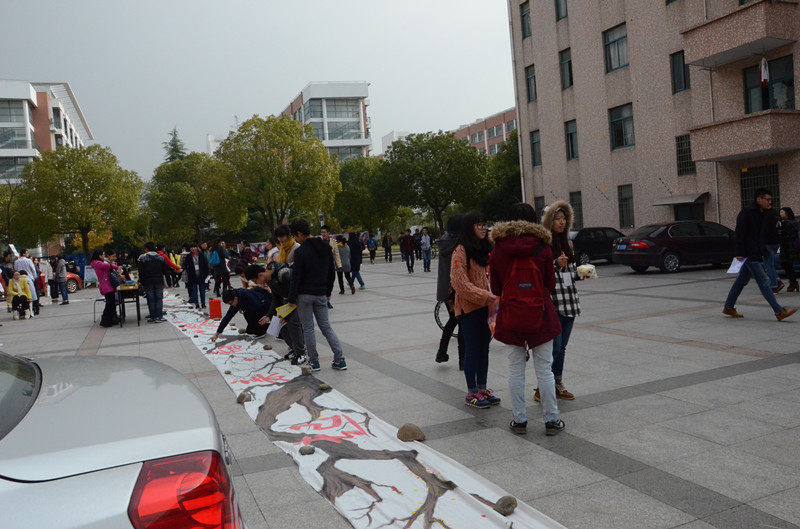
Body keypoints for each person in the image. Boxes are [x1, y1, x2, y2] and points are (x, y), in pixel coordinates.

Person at [489, 202, 565, 436]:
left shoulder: (499, 248)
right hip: (540, 315)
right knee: (545, 369)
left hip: (511, 315)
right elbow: (550, 284)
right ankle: (551, 420)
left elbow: (495, 287)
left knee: (515, 369)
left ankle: (519, 420)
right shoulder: (543, 247)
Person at [723, 188, 797, 321]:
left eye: (770, 200)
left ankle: (728, 307)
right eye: (767, 199)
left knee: (741, 280)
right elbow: (739, 233)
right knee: (764, 281)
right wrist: (739, 252)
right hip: (748, 253)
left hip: (756, 251)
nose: (770, 202)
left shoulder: (764, 213)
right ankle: (779, 311)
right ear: (759, 199)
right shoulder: (747, 213)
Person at [450, 210, 498, 408]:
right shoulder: (460, 251)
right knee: (472, 348)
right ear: (470, 227)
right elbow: (459, 283)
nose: (483, 228)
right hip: (469, 308)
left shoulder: (486, 248)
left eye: (484, 224)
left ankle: (482, 388)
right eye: (478, 225)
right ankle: (472, 392)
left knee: (484, 347)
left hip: (487, 307)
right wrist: (485, 296)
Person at [287, 219, 347, 372]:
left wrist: (291, 298)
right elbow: (331, 272)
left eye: (295, 236)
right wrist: (328, 292)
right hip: (321, 294)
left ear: (299, 234)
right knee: (326, 327)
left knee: (308, 329)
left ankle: (314, 362)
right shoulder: (325, 248)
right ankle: (340, 359)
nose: (295, 239)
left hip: (304, 295)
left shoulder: (301, 252)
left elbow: (296, 277)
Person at [540, 201, 580, 401]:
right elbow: (541, 273)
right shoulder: (544, 245)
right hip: (553, 302)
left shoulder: (568, 243)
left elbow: (570, 274)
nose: (561, 222)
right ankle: (543, 386)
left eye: (564, 219)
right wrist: (556, 263)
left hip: (570, 301)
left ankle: (557, 382)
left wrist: (581, 273)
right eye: (557, 219)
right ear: (550, 221)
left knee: (562, 348)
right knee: (553, 348)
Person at [247, 262, 307, 365]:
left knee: (293, 324)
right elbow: (276, 299)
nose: (258, 284)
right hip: (289, 303)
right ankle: (295, 349)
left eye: (256, 281)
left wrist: (286, 316)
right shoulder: (270, 280)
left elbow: (295, 294)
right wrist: (268, 316)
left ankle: (301, 353)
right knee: (281, 326)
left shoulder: (284, 274)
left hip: (300, 299)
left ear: (260, 275)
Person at [435, 215, 465, 368]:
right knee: (461, 321)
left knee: (454, 319)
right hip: (457, 288)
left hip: (445, 289)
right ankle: (462, 359)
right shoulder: (459, 242)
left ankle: (442, 353)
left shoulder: (443, 241)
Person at [138, 242, 169, 323]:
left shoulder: (143, 259)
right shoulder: (161, 258)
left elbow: (141, 272)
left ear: (146, 249)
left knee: (150, 299)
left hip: (148, 281)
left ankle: (153, 316)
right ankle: (159, 316)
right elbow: (165, 271)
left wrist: (142, 283)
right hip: (159, 280)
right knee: (159, 299)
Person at [91, 249, 120, 327]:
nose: (104, 256)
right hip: (106, 285)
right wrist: (116, 267)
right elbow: (108, 266)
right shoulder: (98, 263)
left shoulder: (97, 262)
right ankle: (105, 321)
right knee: (109, 304)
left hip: (107, 285)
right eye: (103, 255)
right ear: (99, 256)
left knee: (111, 303)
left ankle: (111, 319)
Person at [762, 203, 783, 292]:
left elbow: (764, 229)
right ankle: (777, 281)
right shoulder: (776, 214)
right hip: (776, 242)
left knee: (768, 265)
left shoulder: (766, 215)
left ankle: (773, 285)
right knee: (770, 264)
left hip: (768, 242)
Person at [320, 226, 341, 309]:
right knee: (323, 284)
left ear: (328, 233)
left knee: (330, 283)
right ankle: (323, 301)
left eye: (324, 232)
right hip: (322, 267)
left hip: (331, 266)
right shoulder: (319, 242)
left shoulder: (333, 242)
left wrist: (339, 264)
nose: (323, 234)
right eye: (322, 232)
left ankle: (328, 301)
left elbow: (336, 253)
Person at [779, 207, 799, 292]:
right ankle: (793, 283)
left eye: (782, 212)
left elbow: (783, 235)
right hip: (794, 246)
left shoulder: (786, 223)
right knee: (789, 265)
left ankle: (793, 283)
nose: (780, 214)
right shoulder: (795, 222)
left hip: (787, 247)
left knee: (786, 264)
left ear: (787, 213)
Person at [184, 242, 209, 309]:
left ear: (196, 248)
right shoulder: (188, 256)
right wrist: (182, 269)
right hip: (192, 276)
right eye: (192, 247)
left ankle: (203, 303)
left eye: (194, 247)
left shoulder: (201, 255)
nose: (193, 249)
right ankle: (197, 304)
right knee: (194, 291)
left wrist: (207, 273)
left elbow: (205, 264)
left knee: (202, 290)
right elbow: (185, 264)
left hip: (201, 275)